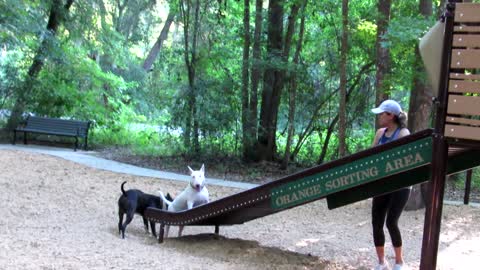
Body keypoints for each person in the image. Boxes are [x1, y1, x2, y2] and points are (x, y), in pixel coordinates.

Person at [370, 99, 411, 270]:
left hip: (401, 185)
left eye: (382, 113)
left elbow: (404, 160)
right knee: (377, 222)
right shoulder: (380, 133)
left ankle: (399, 262)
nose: (379, 116)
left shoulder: (403, 133)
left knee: (391, 222)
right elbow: (371, 155)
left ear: (391, 116)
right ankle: (381, 263)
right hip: (382, 184)